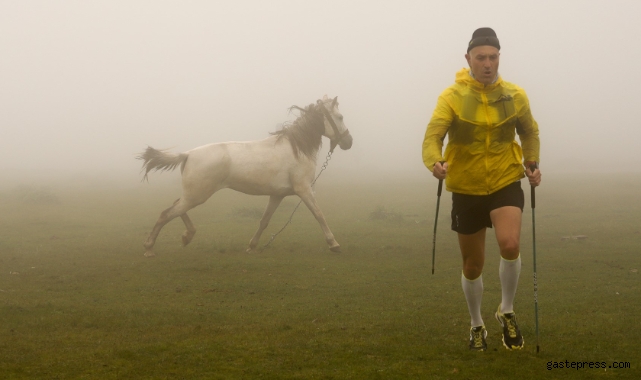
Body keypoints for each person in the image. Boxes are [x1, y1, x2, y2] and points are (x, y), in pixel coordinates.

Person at [422, 27, 541, 351]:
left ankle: (507, 310)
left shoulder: (515, 95)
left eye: (493, 57)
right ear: (468, 59)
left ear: (499, 57)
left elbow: (529, 132)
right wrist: (435, 162)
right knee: (473, 266)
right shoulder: (453, 97)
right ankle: (477, 324)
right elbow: (433, 137)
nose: (488, 64)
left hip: (505, 179)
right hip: (466, 187)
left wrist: (531, 161)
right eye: (481, 58)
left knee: (510, 243)